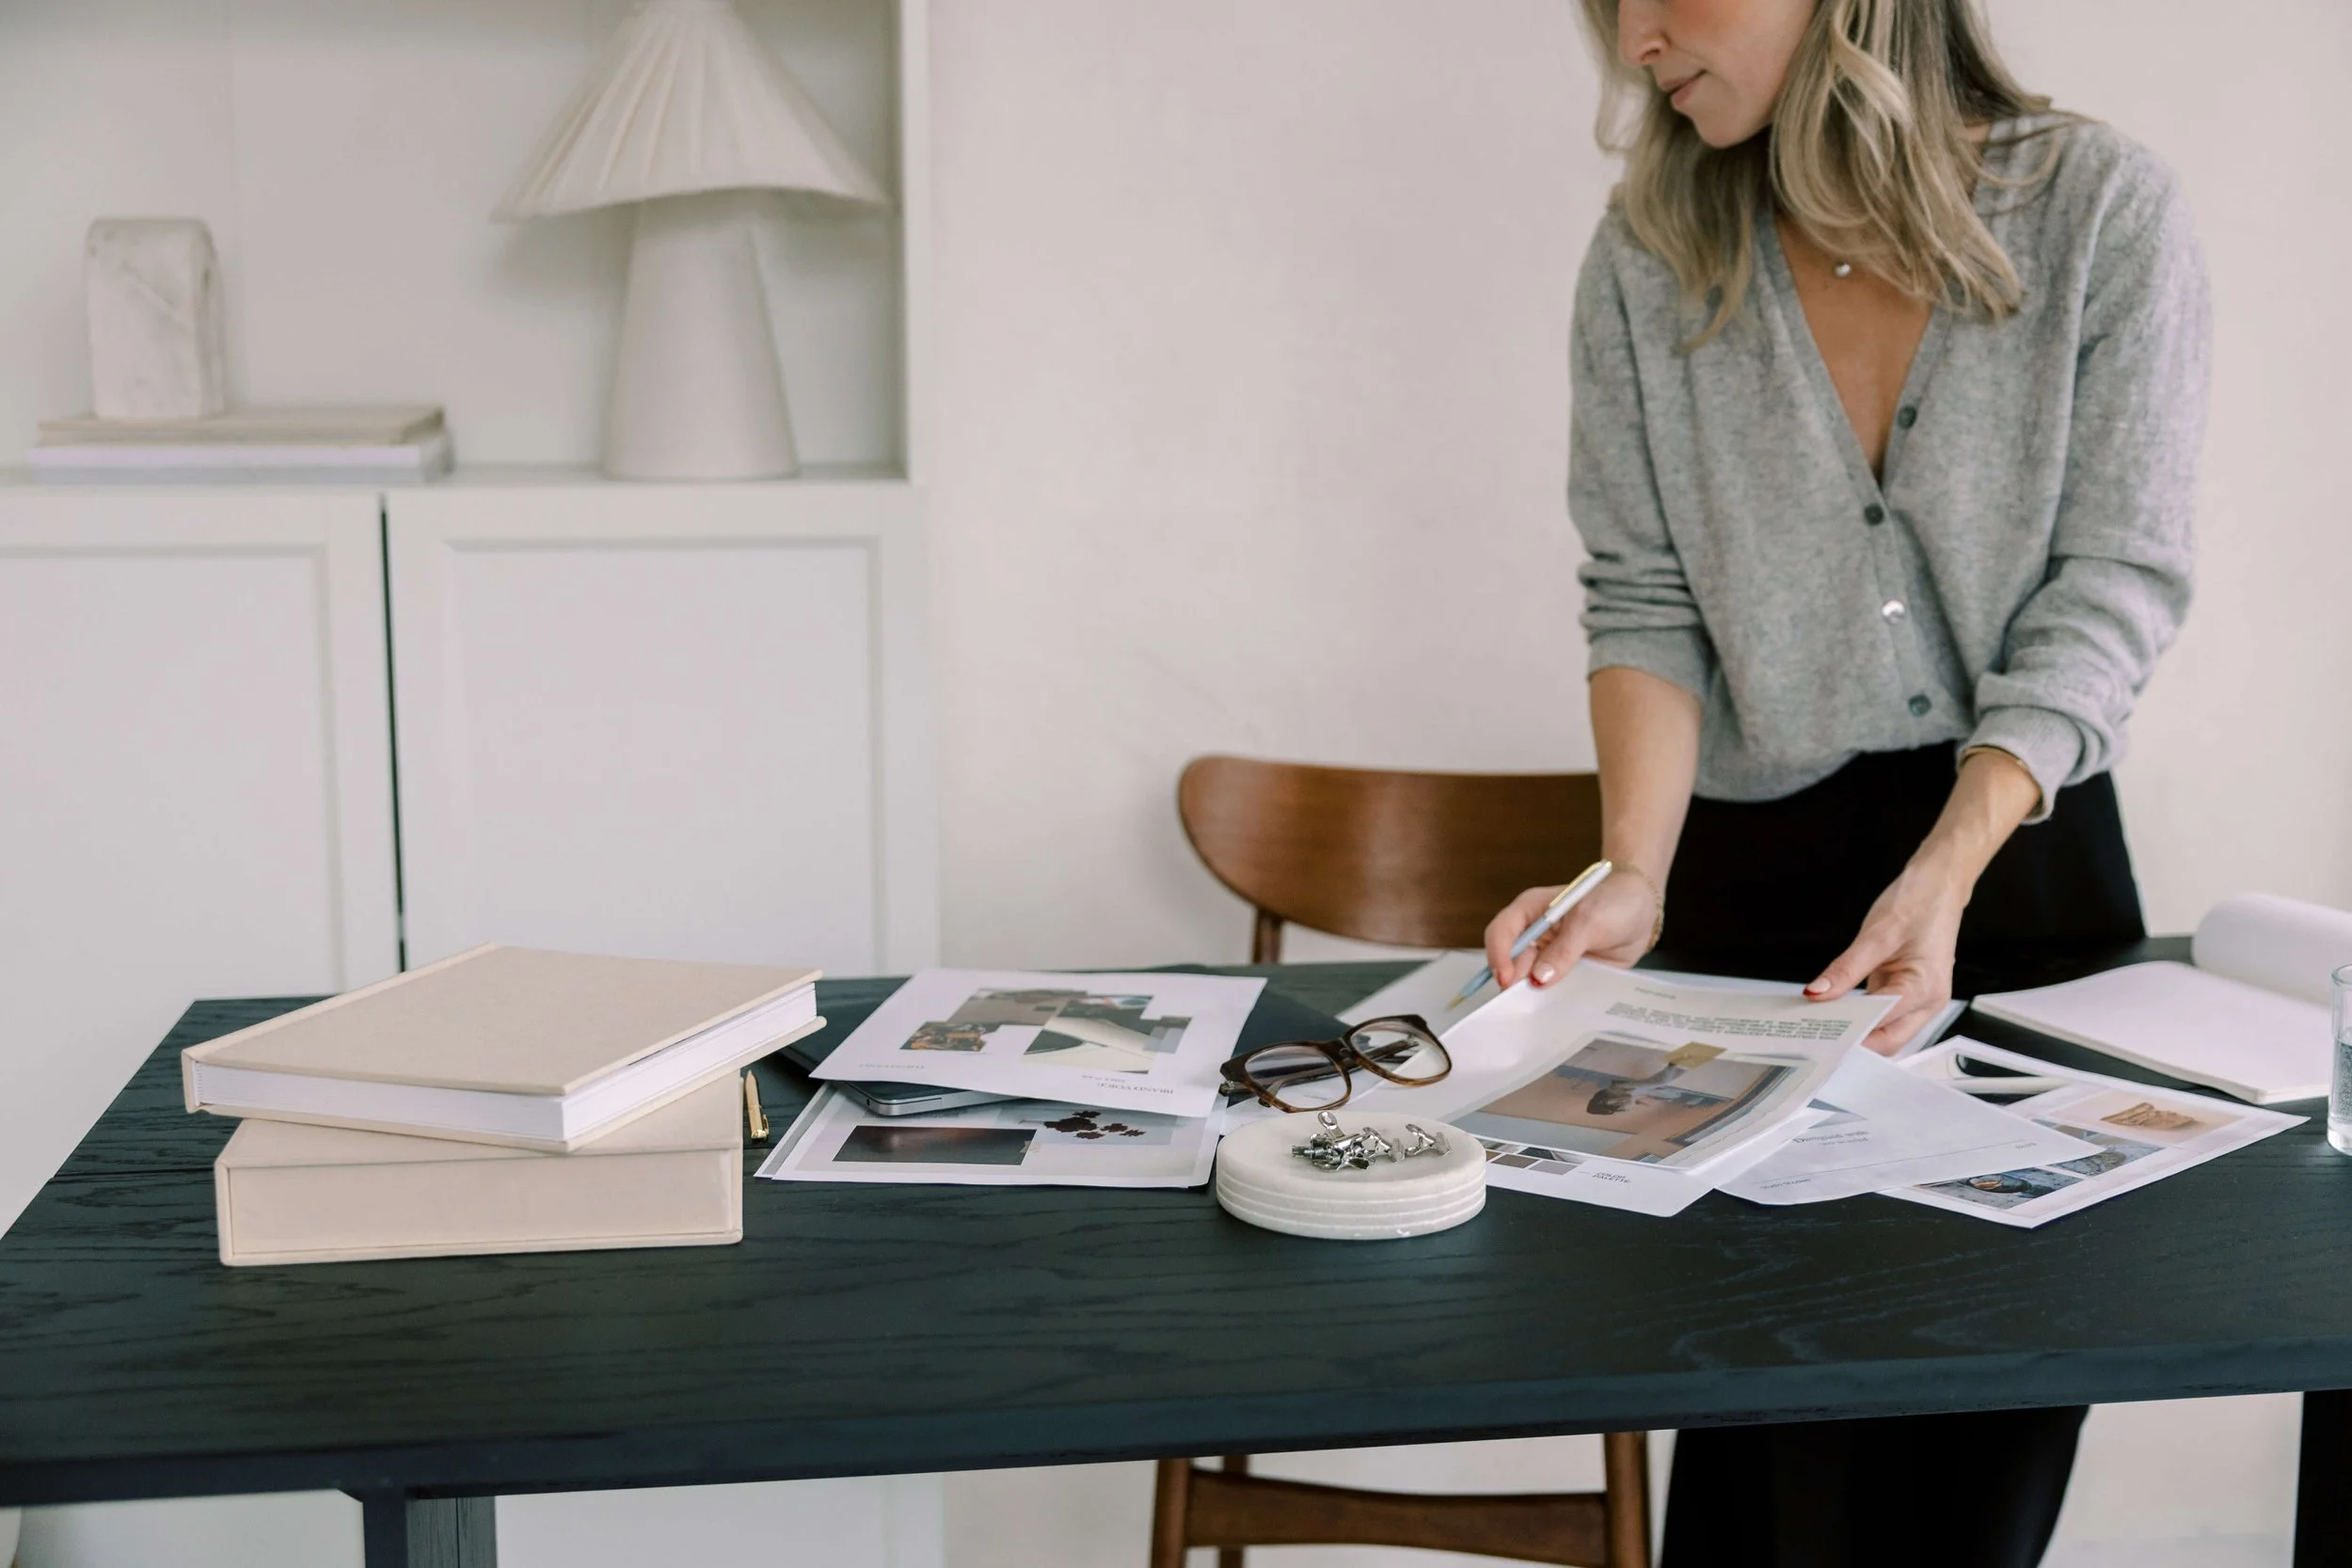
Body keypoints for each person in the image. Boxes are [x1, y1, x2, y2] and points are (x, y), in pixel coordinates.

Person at [1479, 1, 2209, 1563]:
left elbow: (2115, 586)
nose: (1636, 42)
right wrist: (1634, 871)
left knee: (1979, 1491)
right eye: (1607, 7)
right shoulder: (1650, 256)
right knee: (1763, 1486)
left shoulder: (2102, 213)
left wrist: (1945, 867)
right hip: (1752, 924)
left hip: (2019, 894)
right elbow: (1647, 598)